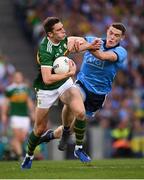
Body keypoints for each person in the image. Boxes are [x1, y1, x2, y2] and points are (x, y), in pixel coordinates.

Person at [38, 22, 128, 159]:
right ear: (107, 31)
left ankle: (50, 136)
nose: (112, 37)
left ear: (121, 38)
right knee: (72, 96)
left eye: (117, 35)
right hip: (82, 84)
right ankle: (76, 145)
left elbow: (103, 56)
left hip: (98, 95)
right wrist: (69, 43)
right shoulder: (92, 40)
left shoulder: (121, 52)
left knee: (73, 128)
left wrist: (87, 47)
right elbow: (72, 40)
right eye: (111, 33)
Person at [21, 16, 100, 169]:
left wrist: (90, 45)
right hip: (46, 89)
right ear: (50, 34)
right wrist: (69, 73)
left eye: (62, 27)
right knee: (39, 128)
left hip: (65, 84)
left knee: (81, 113)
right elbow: (48, 78)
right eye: (59, 30)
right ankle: (28, 156)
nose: (63, 30)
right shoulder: (45, 50)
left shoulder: (64, 39)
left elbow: (73, 45)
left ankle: (79, 149)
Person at [1, 71, 35, 160]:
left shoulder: (25, 88)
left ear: (21, 77)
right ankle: (20, 156)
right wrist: (4, 114)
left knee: (22, 138)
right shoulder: (10, 89)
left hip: (25, 116)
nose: (18, 78)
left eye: (19, 77)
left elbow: (29, 101)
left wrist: (32, 112)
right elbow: (6, 103)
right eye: (16, 77)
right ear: (14, 78)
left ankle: (11, 149)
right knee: (17, 136)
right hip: (15, 115)